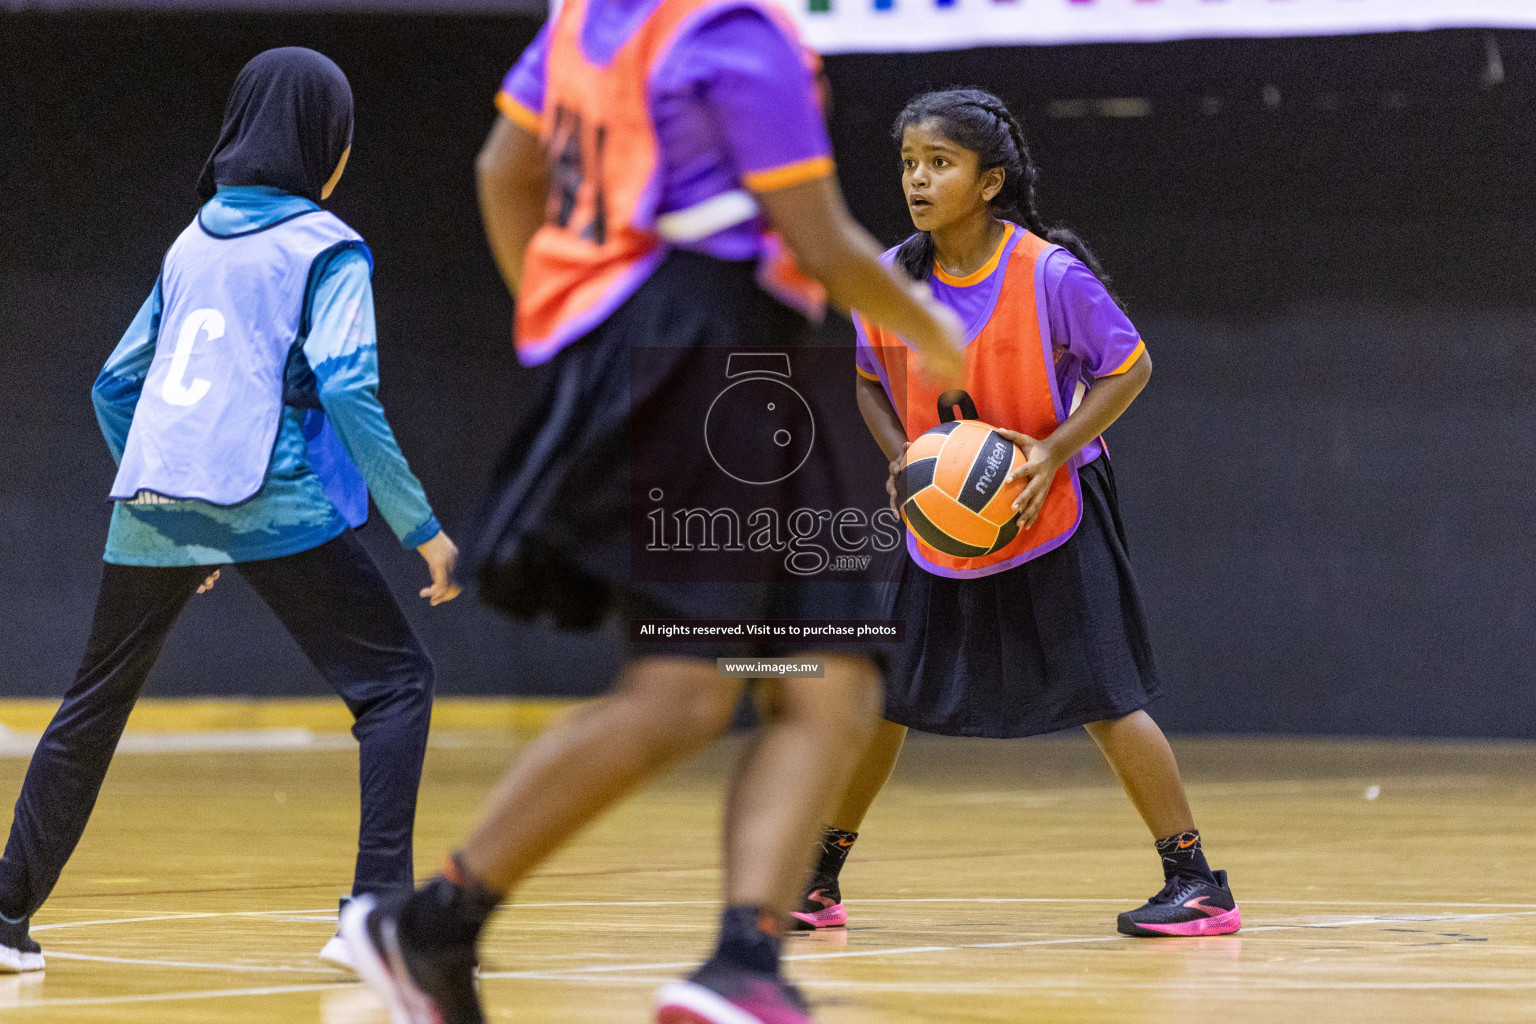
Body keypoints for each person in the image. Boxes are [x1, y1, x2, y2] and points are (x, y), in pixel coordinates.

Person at [338, 2, 964, 1022]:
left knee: (834, 676)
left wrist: (570, 317)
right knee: (686, 687)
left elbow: (505, 169)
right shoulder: (733, 33)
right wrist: (929, 328)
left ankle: (742, 961)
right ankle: (432, 922)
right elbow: (820, 237)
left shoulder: (597, 19)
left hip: (708, 353)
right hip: (712, 349)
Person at [0, 47, 461, 975]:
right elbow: (348, 386)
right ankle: (375, 917)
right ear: (324, 143)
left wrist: (176, 483)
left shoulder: (191, 242)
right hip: (269, 498)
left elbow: (112, 385)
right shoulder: (327, 247)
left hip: (154, 504)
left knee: (91, 707)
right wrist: (420, 524)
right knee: (394, 686)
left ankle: (3, 914)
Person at [790, 88, 1240, 941]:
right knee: (886, 697)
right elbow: (866, 381)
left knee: (1104, 696)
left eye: (940, 164)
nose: (918, 181)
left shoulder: (1049, 275)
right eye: (908, 165)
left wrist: (1053, 449)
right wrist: (903, 461)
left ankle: (1197, 882)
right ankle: (818, 880)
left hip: (1053, 502)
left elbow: (1129, 367)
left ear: (990, 181)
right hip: (946, 513)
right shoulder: (889, 276)